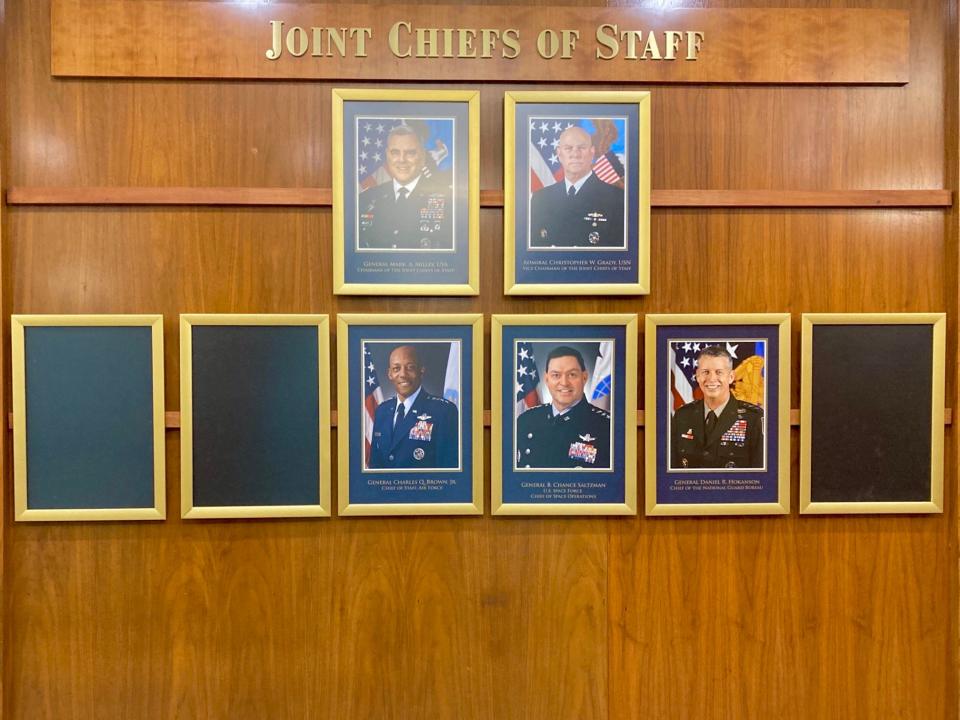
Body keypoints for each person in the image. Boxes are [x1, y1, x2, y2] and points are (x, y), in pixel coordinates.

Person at [529, 125, 625, 248]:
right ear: (559, 153)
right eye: (568, 148)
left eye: (582, 147)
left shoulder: (617, 199)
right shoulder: (541, 199)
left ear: (592, 152)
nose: (575, 154)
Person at [358, 125, 452, 250]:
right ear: (387, 155)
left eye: (410, 153)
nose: (402, 160)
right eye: (395, 152)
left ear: (423, 156)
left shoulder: (448, 199)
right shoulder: (366, 199)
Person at [516, 346, 611, 469]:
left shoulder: (607, 426)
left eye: (572, 374)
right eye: (556, 375)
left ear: (584, 377)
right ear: (546, 379)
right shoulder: (526, 420)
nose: (564, 382)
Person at [670, 345, 764, 469]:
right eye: (705, 372)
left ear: (731, 377)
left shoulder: (754, 418)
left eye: (719, 372)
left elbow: (761, 478)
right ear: (698, 376)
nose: (711, 379)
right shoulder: (682, 416)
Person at [369, 344, 459, 469]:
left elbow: (448, 472)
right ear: (389, 374)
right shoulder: (382, 411)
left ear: (421, 370)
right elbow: (375, 466)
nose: (403, 374)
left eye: (410, 368)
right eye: (396, 369)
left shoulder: (443, 412)